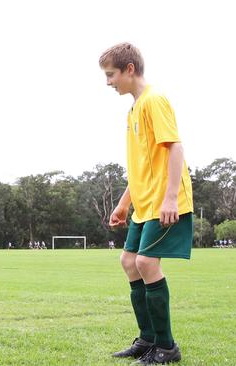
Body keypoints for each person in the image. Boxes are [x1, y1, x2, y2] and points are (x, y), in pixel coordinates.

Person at [100, 43, 193, 365]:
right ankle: (148, 340)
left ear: (129, 69)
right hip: (144, 202)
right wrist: (124, 202)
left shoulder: (154, 100)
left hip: (166, 201)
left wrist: (170, 198)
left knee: (147, 263)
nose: (108, 82)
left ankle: (167, 347)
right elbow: (143, 163)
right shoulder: (133, 109)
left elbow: (175, 148)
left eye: (110, 74)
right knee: (129, 261)